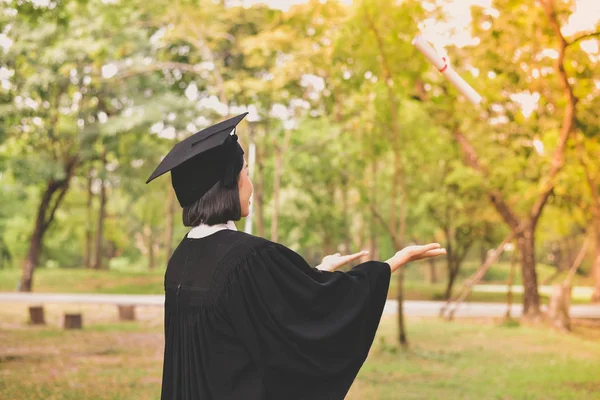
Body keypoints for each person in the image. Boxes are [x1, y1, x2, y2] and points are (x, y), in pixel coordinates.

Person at [147, 113, 446, 400]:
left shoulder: (182, 258)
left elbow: (258, 310)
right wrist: (392, 263)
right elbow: (310, 320)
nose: (251, 186)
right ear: (227, 185)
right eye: (246, 174)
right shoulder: (246, 258)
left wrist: (319, 271)